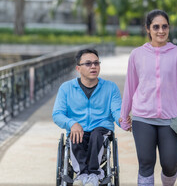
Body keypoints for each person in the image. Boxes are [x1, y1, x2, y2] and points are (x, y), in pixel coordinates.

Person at [120, 9, 177, 186]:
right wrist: (124, 116)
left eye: (164, 26)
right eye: (156, 26)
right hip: (143, 118)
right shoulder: (137, 55)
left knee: (169, 164)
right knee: (145, 164)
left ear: (169, 28)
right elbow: (130, 87)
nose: (161, 31)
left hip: (171, 120)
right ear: (148, 29)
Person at [52, 48, 128, 186]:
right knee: (75, 136)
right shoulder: (66, 88)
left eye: (96, 63)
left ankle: (94, 173)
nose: (93, 66)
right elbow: (57, 114)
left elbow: (117, 111)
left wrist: (123, 120)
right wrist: (71, 123)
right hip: (77, 129)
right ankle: (82, 174)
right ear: (78, 68)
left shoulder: (110, 88)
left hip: (101, 129)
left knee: (96, 134)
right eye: (88, 64)